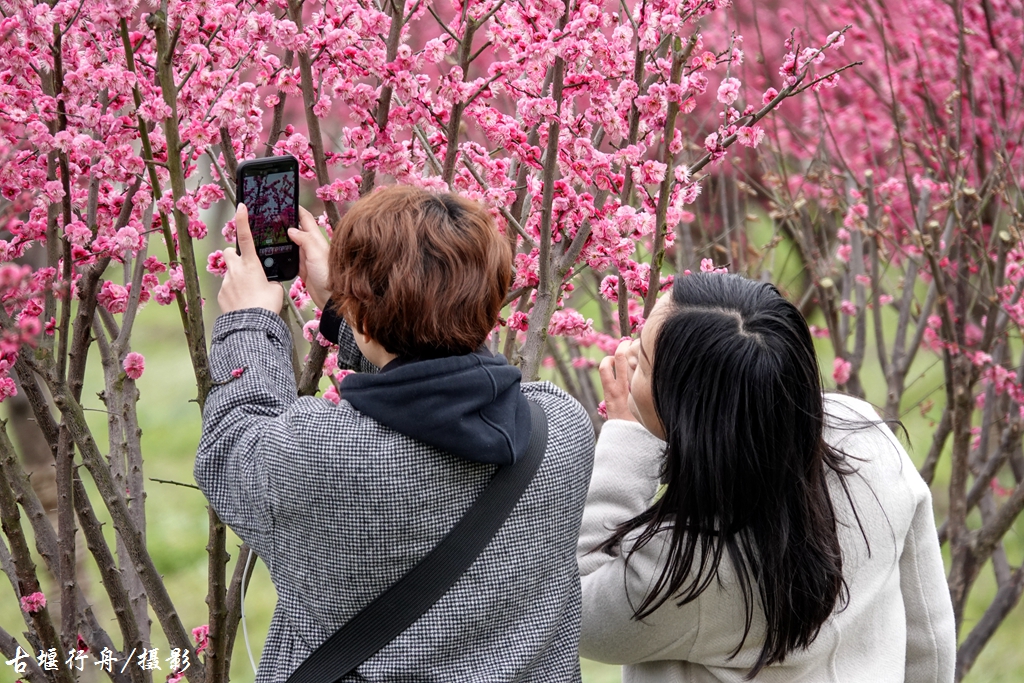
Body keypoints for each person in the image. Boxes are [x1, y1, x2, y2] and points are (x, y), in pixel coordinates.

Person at [195, 186, 595, 682]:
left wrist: (247, 322)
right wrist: (352, 311)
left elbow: (232, 443)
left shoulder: (321, 455)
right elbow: (443, 378)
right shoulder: (562, 428)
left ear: (361, 314)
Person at [578, 273, 956, 682]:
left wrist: (629, 435)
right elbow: (928, 631)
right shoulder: (866, 440)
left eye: (645, 363)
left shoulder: (686, 566)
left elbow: (576, 608)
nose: (627, 353)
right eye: (639, 333)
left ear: (692, 416)